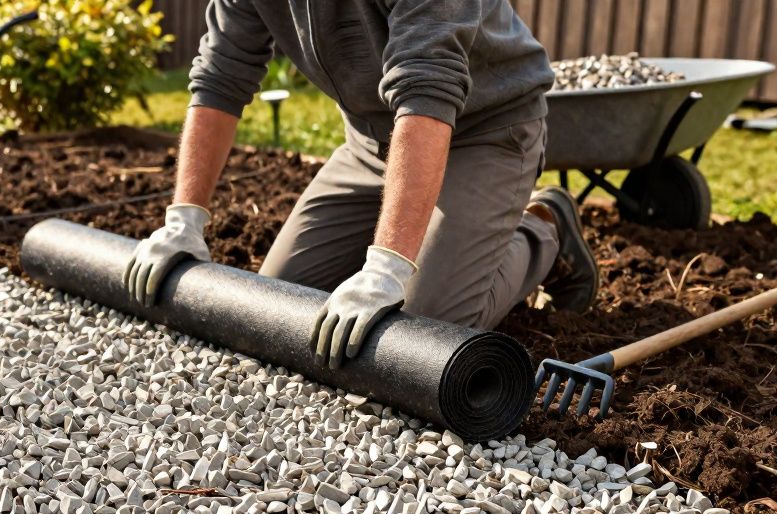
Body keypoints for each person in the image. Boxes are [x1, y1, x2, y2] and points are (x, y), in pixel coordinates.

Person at [122, 0, 599, 369]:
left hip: (486, 131)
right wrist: (184, 218)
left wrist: (388, 267)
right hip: (373, 141)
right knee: (277, 306)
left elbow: (427, 87)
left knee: (425, 325)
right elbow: (221, 75)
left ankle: (544, 229)